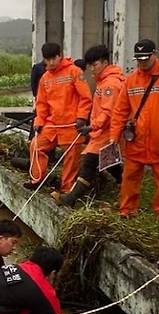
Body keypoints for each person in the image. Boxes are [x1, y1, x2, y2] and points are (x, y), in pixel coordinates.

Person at [109, 39, 159, 220]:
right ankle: (127, 211)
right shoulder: (131, 80)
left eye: (145, 58)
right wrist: (114, 136)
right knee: (129, 178)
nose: (142, 63)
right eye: (139, 60)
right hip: (137, 140)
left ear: (154, 54)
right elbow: (120, 110)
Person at [53, 44, 125, 207]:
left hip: (106, 133)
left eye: (95, 65)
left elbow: (108, 112)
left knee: (89, 162)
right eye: (90, 66)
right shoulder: (105, 81)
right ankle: (125, 188)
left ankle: (70, 198)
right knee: (110, 164)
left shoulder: (110, 84)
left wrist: (91, 127)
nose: (92, 69)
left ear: (105, 62)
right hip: (103, 132)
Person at [27, 42, 93, 195]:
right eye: (47, 59)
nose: (50, 63)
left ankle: (66, 189)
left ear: (60, 55)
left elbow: (85, 97)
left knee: (71, 157)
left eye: (53, 59)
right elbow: (42, 103)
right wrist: (39, 121)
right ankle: (37, 179)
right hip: (52, 124)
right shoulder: (45, 78)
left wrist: (82, 117)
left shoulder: (74, 72)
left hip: (71, 124)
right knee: (36, 146)